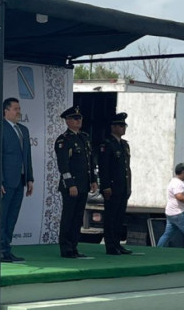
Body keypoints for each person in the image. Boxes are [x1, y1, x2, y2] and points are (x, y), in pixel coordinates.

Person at [0, 97, 33, 263]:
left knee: (12, 216)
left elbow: (26, 156)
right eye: (15, 108)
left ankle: (7, 249)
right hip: (4, 181)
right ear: (5, 111)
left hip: (19, 180)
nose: (18, 111)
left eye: (19, 108)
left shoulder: (23, 130)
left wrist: (30, 178)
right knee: (2, 215)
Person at [54, 106, 97, 259]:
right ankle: (66, 249)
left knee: (78, 217)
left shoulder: (84, 138)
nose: (79, 121)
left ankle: (74, 247)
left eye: (80, 118)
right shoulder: (64, 140)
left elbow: (90, 161)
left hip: (84, 185)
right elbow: (63, 164)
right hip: (71, 186)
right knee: (69, 216)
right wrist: (70, 183)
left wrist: (93, 180)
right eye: (75, 118)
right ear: (68, 121)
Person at [98, 112, 132, 255]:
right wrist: (105, 186)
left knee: (119, 217)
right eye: (120, 125)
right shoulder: (107, 144)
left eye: (124, 125)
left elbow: (126, 168)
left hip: (122, 186)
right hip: (112, 187)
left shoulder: (124, 145)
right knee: (111, 217)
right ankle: (110, 245)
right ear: (113, 127)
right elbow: (104, 167)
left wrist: (128, 186)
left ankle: (117, 244)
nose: (123, 128)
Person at [156, 163, 184, 249]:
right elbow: (179, 196)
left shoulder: (174, 182)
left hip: (171, 213)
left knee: (168, 233)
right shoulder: (179, 184)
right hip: (179, 213)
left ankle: (158, 248)